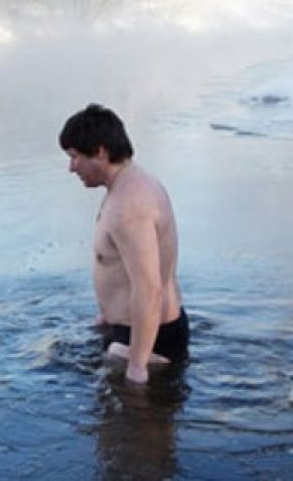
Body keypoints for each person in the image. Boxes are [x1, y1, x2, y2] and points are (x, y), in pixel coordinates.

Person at [59, 103, 189, 384]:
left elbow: (149, 289)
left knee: (133, 425)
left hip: (149, 340)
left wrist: (138, 366)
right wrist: (108, 314)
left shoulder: (129, 206)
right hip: (136, 331)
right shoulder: (129, 185)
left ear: (100, 152)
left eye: (75, 157)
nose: (71, 168)